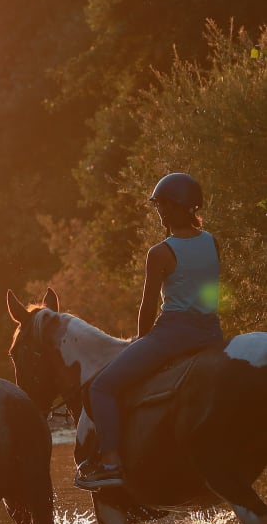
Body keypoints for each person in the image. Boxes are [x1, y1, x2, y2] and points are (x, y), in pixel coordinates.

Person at [74, 172, 223, 490]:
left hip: (172, 336)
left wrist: (140, 342)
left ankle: (110, 462)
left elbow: (148, 307)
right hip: (211, 334)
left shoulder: (160, 253)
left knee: (101, 387)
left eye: (164, 206)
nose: (160, 212)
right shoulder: (212, 243)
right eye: (159, 206)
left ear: (178, 208)